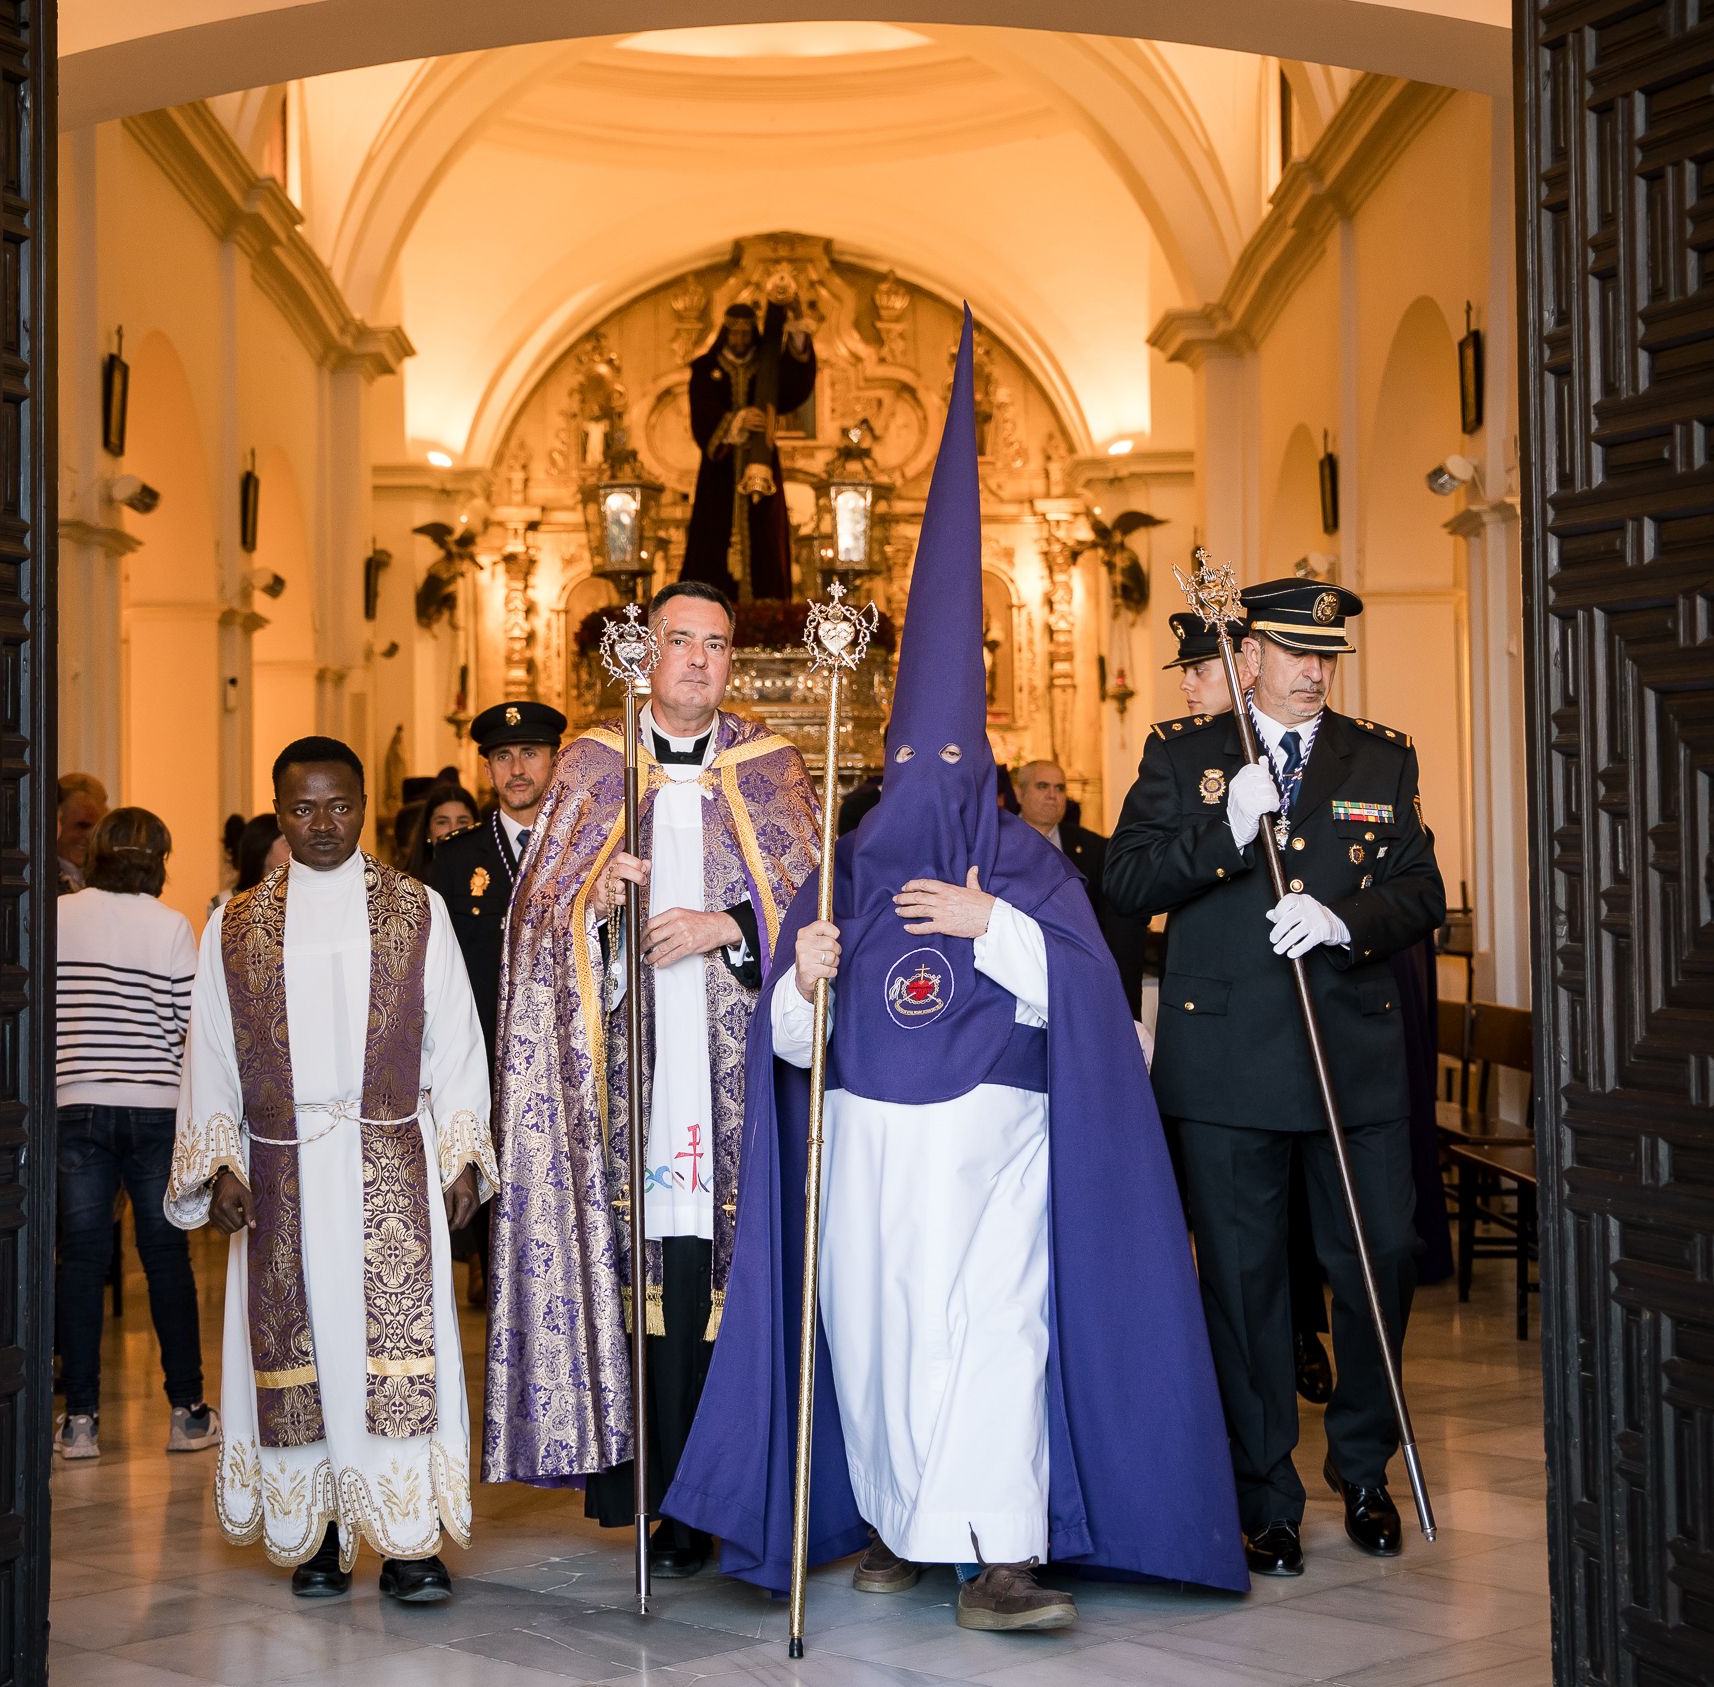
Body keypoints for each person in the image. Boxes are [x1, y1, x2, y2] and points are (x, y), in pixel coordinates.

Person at [668, 312, 1247, 1629]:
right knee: (874, 1343)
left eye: (957, 772)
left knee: (993, 1334)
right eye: (915, 772)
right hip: (872, 1152)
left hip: (998, 1149)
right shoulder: (849, 866)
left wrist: (996, 926)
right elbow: (796, 1042)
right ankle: (893, 1522)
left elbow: (1090, 1000)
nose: (935, 791)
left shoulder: (1026, 865)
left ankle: (998, 1554)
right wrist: (802, 974)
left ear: (981, 769)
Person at [1105, 585, 1446, 1579]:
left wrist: (1347, 923)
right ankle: (1266, 1494)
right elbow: (1124, 881)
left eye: (1328, 654)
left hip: (1353, 1063)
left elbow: (1419, 888)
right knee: (1246, 1288)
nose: (1316, 669)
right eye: (1297, 652)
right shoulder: (1185, 756)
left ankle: (1365, 1466)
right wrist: (1223, 836)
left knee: (1378, 1259)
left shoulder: (1377, 756)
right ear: (1248, 654)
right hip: (1228, 1067)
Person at [483, 579, 821, 1578]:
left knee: (724, 1272)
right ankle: (659, 1495)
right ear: (646, 651)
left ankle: (736, 1487)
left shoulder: (771, 768)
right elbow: (535, 924)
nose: (701, 661)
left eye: (718, 646)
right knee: (648, 1278)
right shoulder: (592, 765)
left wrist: (733, 926)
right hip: (630, 1078)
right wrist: (596, 898)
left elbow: (815, 908)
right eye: (683, 641)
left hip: (732, 1078)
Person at [165, 738, 495, 1603]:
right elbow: (210, 1049)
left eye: (339, 805)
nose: (322, 823)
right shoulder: (235, 921)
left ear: (364, 807)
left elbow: (457, 1034)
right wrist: (220, 1158)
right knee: (298, 1353)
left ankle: (409, 1538)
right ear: (277, 811)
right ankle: (320, 1530)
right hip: (280, 1171)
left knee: (396, 1361)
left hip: (391, 1159)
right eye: (303, 807)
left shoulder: (416, 909)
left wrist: (461, 1149)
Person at [51, 807, 213, 1462]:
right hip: (153, 1108)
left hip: (75, 1105)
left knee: (83, 1261)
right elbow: (189, 1022)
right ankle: (187, 1412)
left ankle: (80, 1420)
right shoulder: (170, 925)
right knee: (165, 1258)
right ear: (158, 861)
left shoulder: (59, 915)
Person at [425, 701, 568, 1303]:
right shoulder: (455, 860)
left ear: (554, 761)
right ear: (486, 770)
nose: (517, 768)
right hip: (482, 1058)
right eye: (502, 756)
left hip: (568, 1058)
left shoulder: (585, 846)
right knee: (491, 1195)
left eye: (530, 754)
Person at [679, 299, 817, 600]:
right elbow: (701, 413)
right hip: (720, 474)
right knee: (712, 538)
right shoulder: (706, 368)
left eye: (745, 333)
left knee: (766, 538)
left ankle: (767, 612)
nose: (740, 340)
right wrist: (736, 421)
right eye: (734, 333)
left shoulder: (766, 367)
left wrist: (796, 330)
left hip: (762, 465)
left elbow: (796, 386)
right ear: (725, 333)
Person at [1011, 759, 1148, 1014]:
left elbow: (1116, 921)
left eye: (1060, 788)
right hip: (1013, 976)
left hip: (1077, 981)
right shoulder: (995, 842)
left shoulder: (1095, 848)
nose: (1053, 795)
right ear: (1019, 792)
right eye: (1042, 786)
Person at [53, 771, 109, 894]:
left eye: (97, 828)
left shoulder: (110, 879)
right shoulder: (39, 878)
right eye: (82, 825)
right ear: (57, 821)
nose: (90, 836)